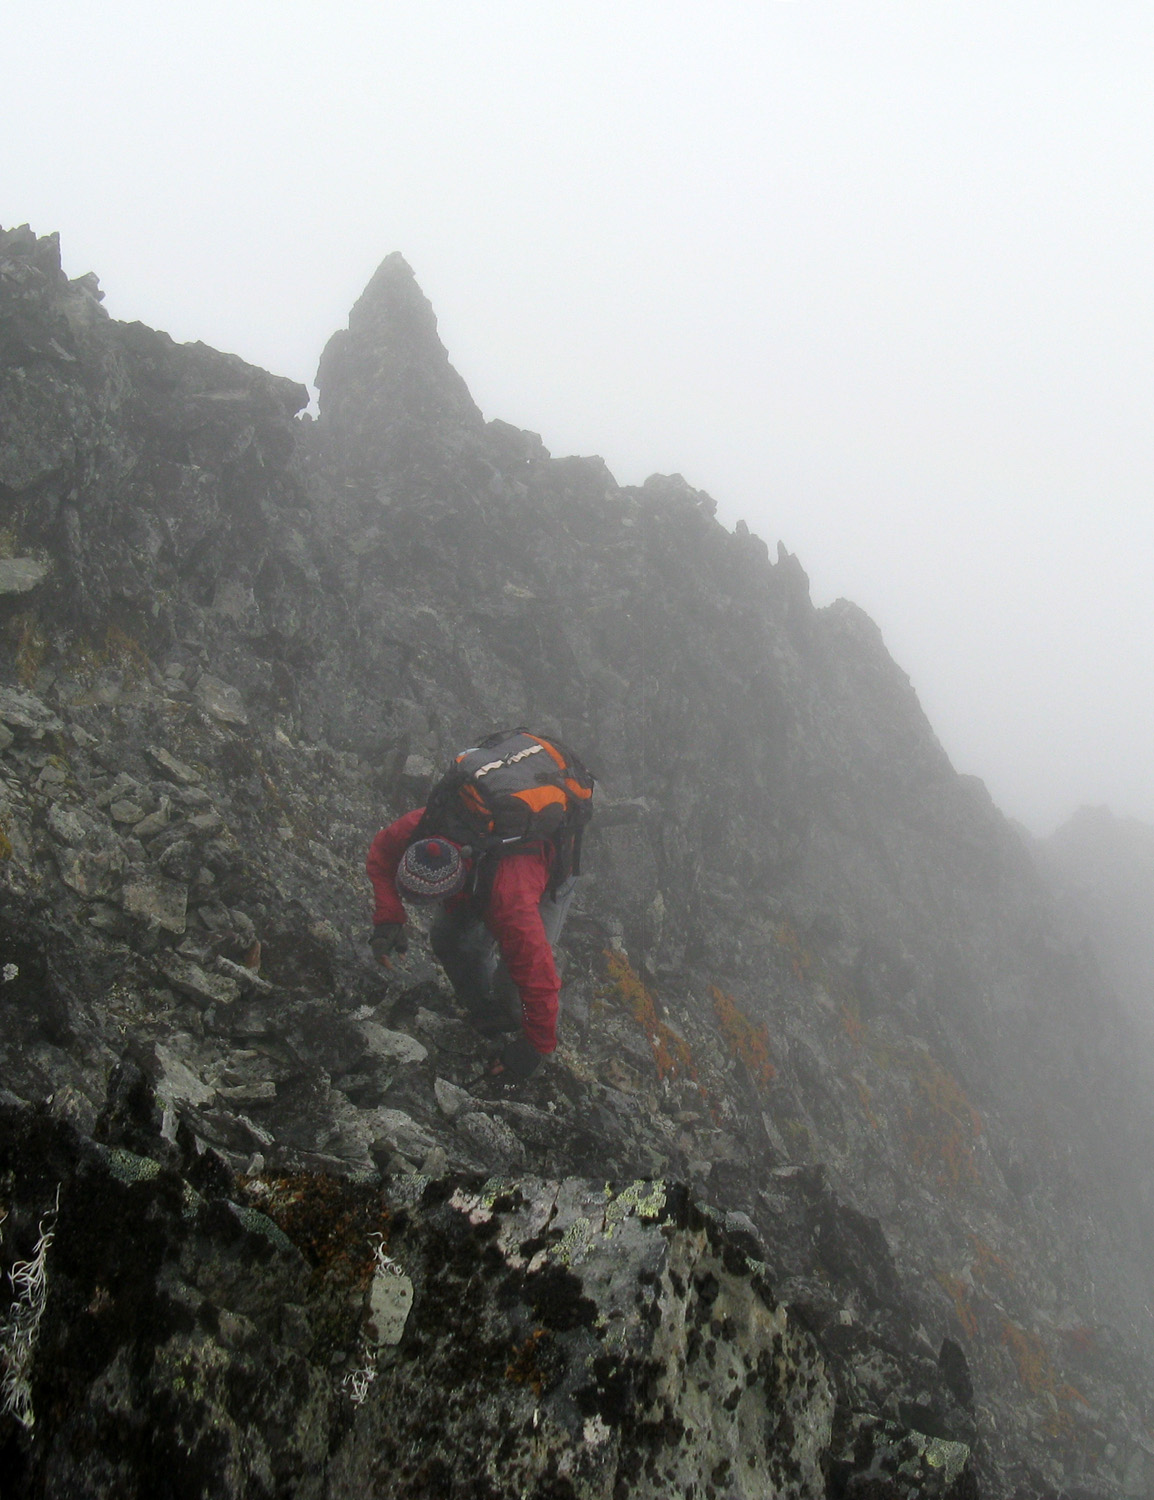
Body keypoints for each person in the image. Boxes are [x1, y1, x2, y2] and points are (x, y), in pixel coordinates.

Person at [365, 808, 580, 1082]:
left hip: (551, 867)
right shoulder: (423, 825)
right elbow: (382, 855)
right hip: (489, 871)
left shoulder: (509, 901)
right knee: (447, 937)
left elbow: (537, 974)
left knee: (514, 985)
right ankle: (488, 1013)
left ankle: (517, 1026)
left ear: (453, 885)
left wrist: (536, 1047)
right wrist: (389, 917)